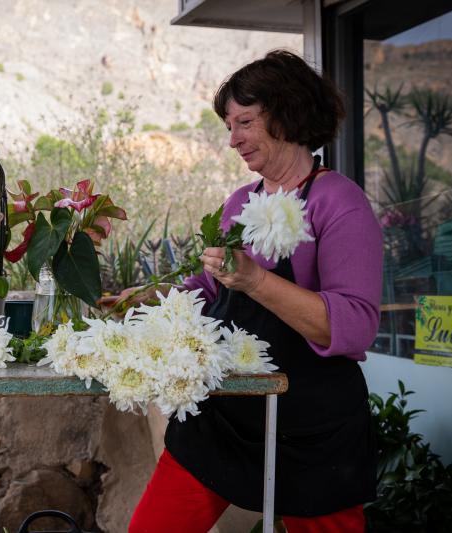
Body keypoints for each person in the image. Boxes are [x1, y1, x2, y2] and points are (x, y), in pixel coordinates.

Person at [129, 50, 382, 533]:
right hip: (223, 415)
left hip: (312, 430)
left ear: (288, 113)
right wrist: (147, 306)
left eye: (244, 122)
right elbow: (208, 289)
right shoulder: (240, 203)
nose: (233, 140)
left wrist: (258, 280)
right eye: (229, 125)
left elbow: (352, 328)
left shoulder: (340, 203)